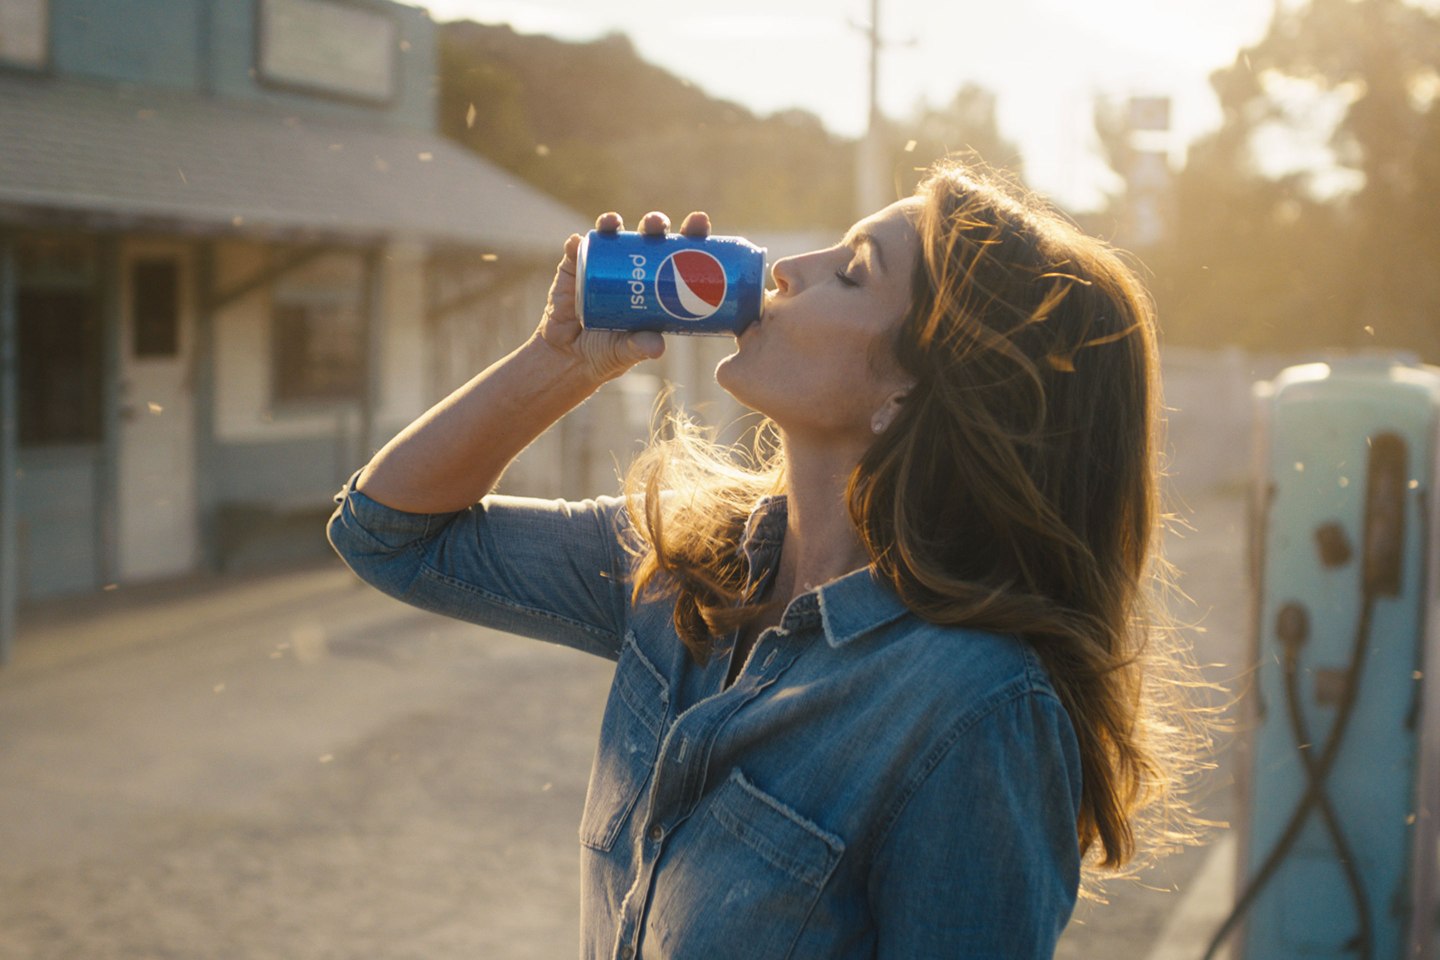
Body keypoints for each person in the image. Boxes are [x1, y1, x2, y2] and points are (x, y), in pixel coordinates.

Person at [328, 159, 1203, 959]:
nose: (789, 268)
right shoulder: (682, 564)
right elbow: (388, 534)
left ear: (910, 389)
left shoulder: (973, 712)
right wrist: (560, 361)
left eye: (852, 270)